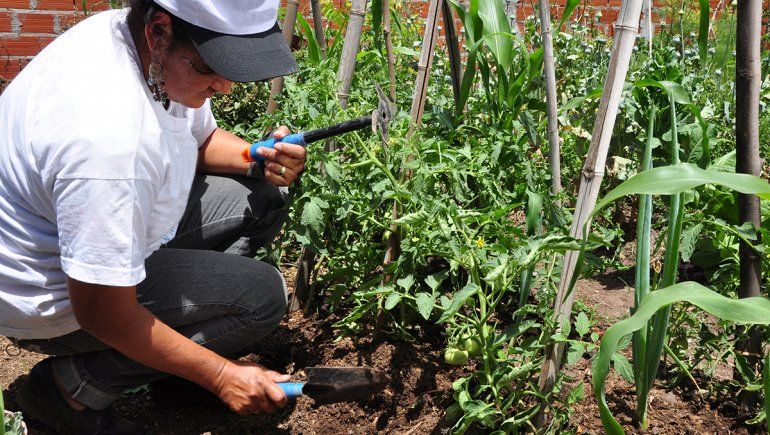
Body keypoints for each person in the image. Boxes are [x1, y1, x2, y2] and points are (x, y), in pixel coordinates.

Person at [0, 0, 307, 432]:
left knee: (263, 197)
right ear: (160, 30)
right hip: (46, 295)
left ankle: (172, 369)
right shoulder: (107, 139)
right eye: (211, 68)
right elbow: (102, 312)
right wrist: (220, 374)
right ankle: (72, 388)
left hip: (95, 229)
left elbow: (199, 139)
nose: (224, 86)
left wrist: (259, 159)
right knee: (263, 298)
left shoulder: (143, 46)